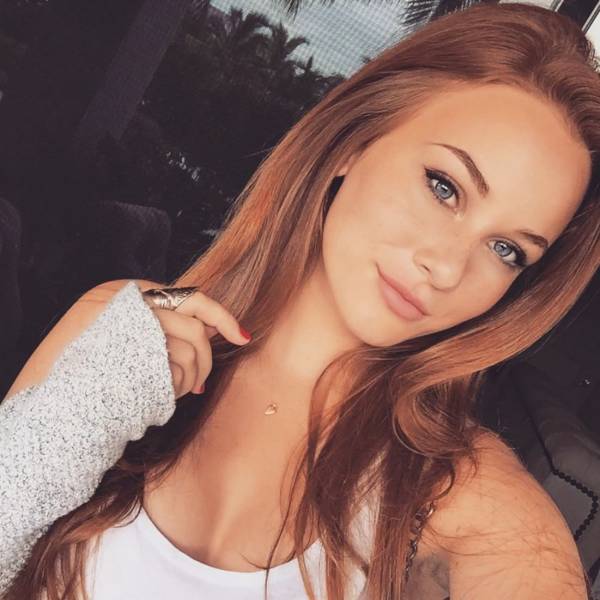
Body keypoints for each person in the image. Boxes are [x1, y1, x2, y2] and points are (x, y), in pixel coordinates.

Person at [2, 2, 600, 598]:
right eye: (444, 187)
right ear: (353, 143)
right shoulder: (122, 331)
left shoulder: (461, 496)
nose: (446, 269)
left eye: (507, 250)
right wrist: (78, 412)